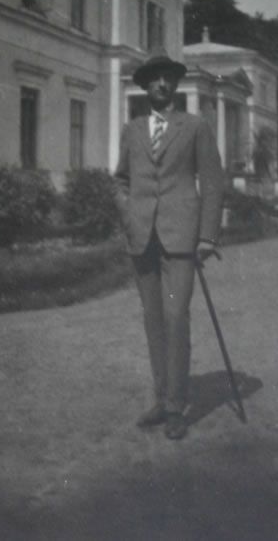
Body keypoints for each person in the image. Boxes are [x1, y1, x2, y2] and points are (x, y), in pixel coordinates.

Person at [114, 53, 224, 440]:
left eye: (169, 78)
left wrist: (207, 236)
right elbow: (121, 180)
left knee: (176, 318)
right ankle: (161, 399)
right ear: (146, 85)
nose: (162, 84)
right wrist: (129, 217)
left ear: (175, 85)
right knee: (154, 321)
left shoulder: (195, 127)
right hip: (142, 238)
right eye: (155, 78)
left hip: (181, 239)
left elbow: (212, 180)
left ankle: (177, 406)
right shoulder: (132, 130)